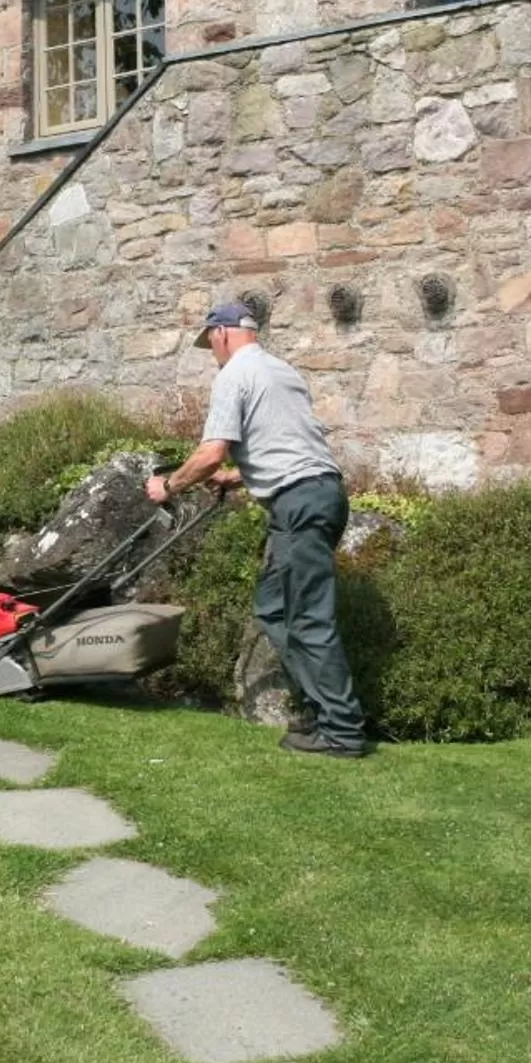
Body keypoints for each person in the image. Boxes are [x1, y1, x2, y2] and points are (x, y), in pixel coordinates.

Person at [147, 299, 368, 757]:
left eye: (210, 341)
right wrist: (238, 477)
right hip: (322, 494)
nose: (212, 351)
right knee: (273, 609)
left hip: (300, 505)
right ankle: (320, 710)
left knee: (308, 619)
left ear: (222, 333)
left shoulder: (234, 374)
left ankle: (342, 731)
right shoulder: (281, 371)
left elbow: (211, 452)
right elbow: (286, 446)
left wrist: (168, 486)